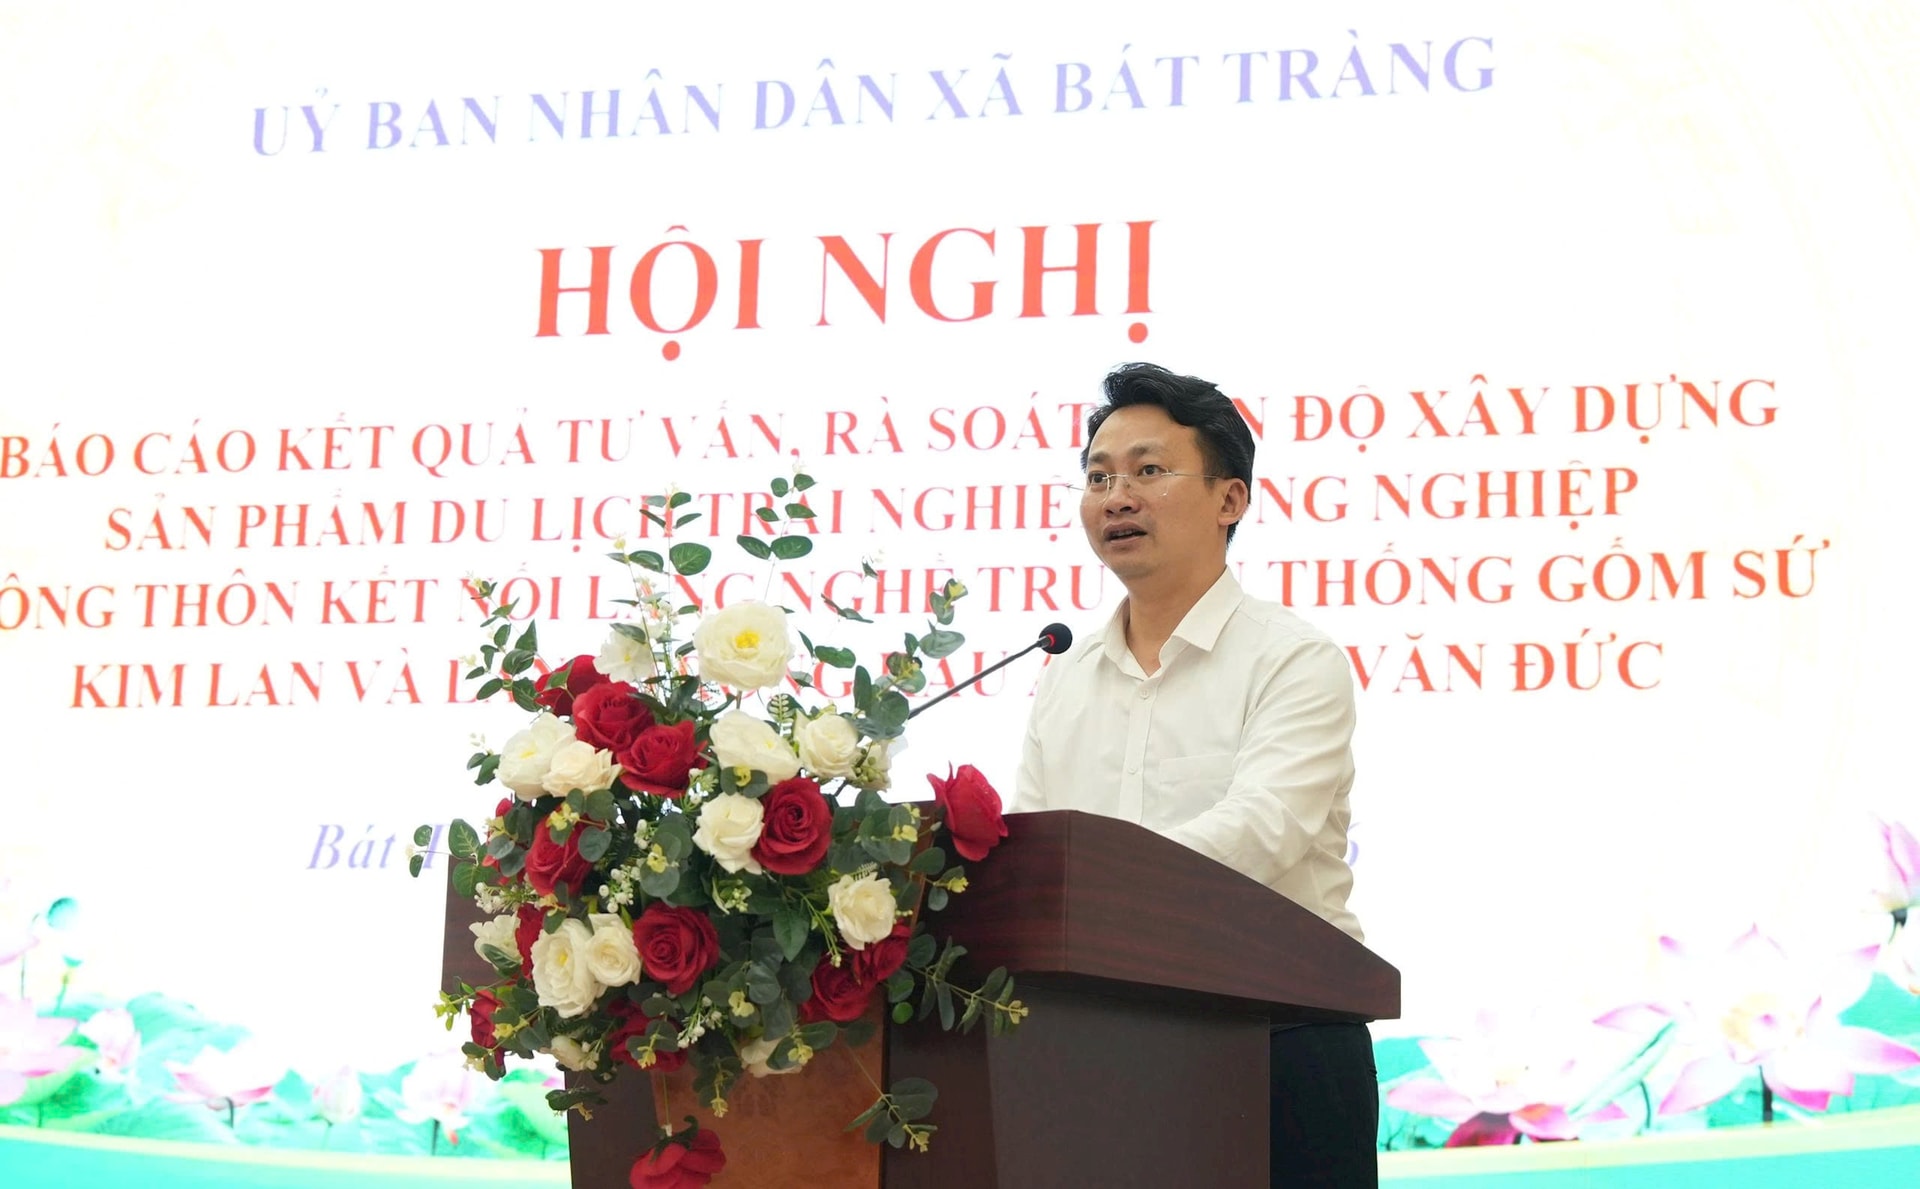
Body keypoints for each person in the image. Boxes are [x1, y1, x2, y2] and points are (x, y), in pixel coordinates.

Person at [1012, 361, 1378, 1187]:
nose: (1117, 497)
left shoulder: (1292, 659)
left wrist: (1093, 888)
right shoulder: (1066, 676)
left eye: (1148, 470)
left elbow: (1263, 829)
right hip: (1099, 1053)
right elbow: (1032, 847)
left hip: (1277, 1043)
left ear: (1229, 499)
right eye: (1099, 477)